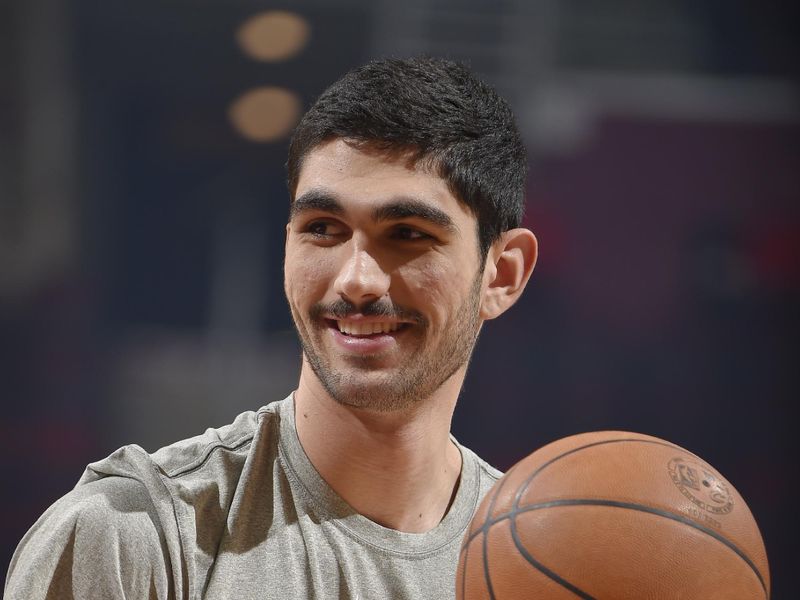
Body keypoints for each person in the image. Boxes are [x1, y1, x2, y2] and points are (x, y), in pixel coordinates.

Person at [5, 56, 537, 599]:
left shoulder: (552, 560)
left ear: (503, 273)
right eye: (323, 229)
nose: (356, 281)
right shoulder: (134, 536)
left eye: (407, 233)